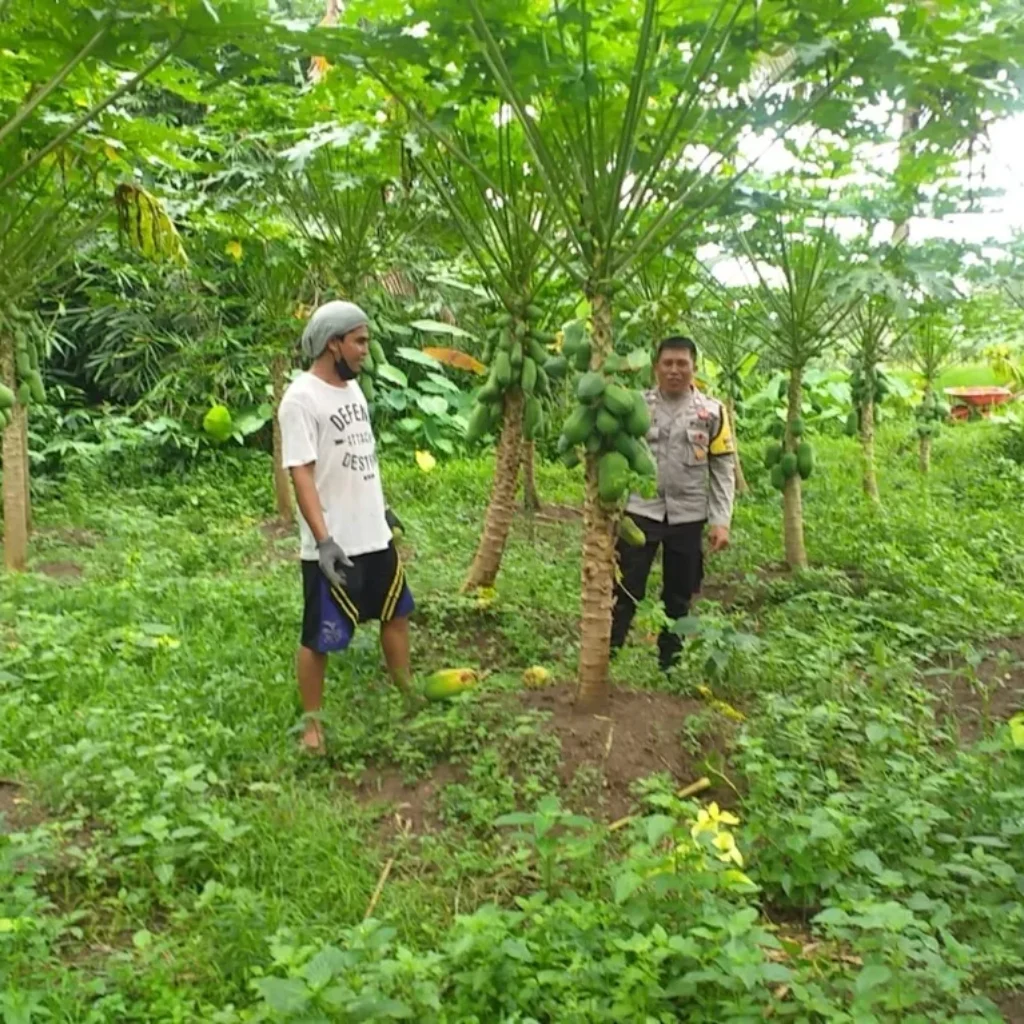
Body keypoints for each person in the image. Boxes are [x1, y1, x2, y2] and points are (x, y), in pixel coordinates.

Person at [278, 300, 414, 754]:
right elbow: (301, 471)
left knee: (397, 614)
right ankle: (312, 727)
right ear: (332, 343)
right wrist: (324, 540)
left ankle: (407, 697)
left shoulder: (353, 391)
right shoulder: (300, 399)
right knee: (320, 637)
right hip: (335, 544)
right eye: (359, 341)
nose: (365, 351)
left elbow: (359, 458)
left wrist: (384, 508)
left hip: (374, 533)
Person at [610, 335, 736, 672]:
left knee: (679, 595)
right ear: (656, 367)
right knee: (624, 587)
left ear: (694, 368)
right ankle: (605, 657)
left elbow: (723, 468)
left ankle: (670, 665)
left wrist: (720, 520)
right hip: (641, 510)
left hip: (688, 515)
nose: (675, 370)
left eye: (683, 364)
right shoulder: (635, 405)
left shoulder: (712, 412)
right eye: (668, 363)